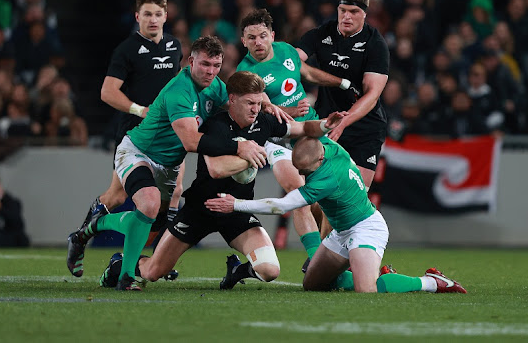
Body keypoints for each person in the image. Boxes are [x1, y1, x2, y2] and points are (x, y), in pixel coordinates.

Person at [96, 71, 345, 291]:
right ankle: (119, 265)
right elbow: (215, 169)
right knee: (153, 273)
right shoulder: (215, 125)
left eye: (259, 103)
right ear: (232, 99)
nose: (255, 109)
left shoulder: (264, 121)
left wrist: (324, 125)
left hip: (236, 209)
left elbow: (301, 129)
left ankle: (237, 271)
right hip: (200, 209)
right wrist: (251, 153)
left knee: (270, 270)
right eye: (249, 103)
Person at [66, 37, 281, 289]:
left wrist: (266, 104)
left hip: (169, 165)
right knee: (149, 203)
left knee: (154, 226)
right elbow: (191, 141)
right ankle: (122, 271)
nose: (210, 71)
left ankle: (105, 244)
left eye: (216, 65)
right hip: (139, 152)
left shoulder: (214, 85)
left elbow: (240, 98)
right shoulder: (180, 91)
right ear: (191, 62)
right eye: (204, 64)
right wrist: (239, 146)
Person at [205, 137, 467, 294]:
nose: (302, 175)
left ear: (318, 163)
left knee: (367, 290)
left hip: (366, 228)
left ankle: (432, 282)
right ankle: (376, 272)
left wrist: (236, 204)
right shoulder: (330, 148)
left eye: (305, 170)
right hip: (342, 232)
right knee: (314, 285)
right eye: (299, 169)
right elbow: (315, 131)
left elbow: (281, 206)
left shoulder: (325, 179)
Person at [235, 8, 353, 261]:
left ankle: (328, 255)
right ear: (243, 41)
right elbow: (264, 107)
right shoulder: (245, 72)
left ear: (272, 35)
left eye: (262, 36)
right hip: (276, 138)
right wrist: (289, 109)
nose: (258, 42)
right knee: (296, 191)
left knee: (325, 199)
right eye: (252, 37)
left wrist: (340, 82)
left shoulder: (287, 50)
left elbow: (307, 73)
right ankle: (314, 259)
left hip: (308, 130)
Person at [75, 0, 183, 253]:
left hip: (169, 133)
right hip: (135, 133)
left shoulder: (174, 46)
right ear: (137, 17)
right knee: (118, 196)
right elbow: (107, 92)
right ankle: (80, 238)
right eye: (147, 14)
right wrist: (140, 110)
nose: (153, 19)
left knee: (174, 192)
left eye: (158, 14)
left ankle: (145, 256)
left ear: (166, 16)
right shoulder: (127, 50)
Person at [295, 0, 390, 190]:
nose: (347, 17)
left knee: (354, 199)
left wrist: (344, 122)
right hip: (326, 122)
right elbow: (291, 63)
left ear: (364, 14)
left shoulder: (375, 44)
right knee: (319, 197)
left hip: (365, 129)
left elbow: (372, 94)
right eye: (343, 11)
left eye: (354, 12)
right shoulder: (322, 34)